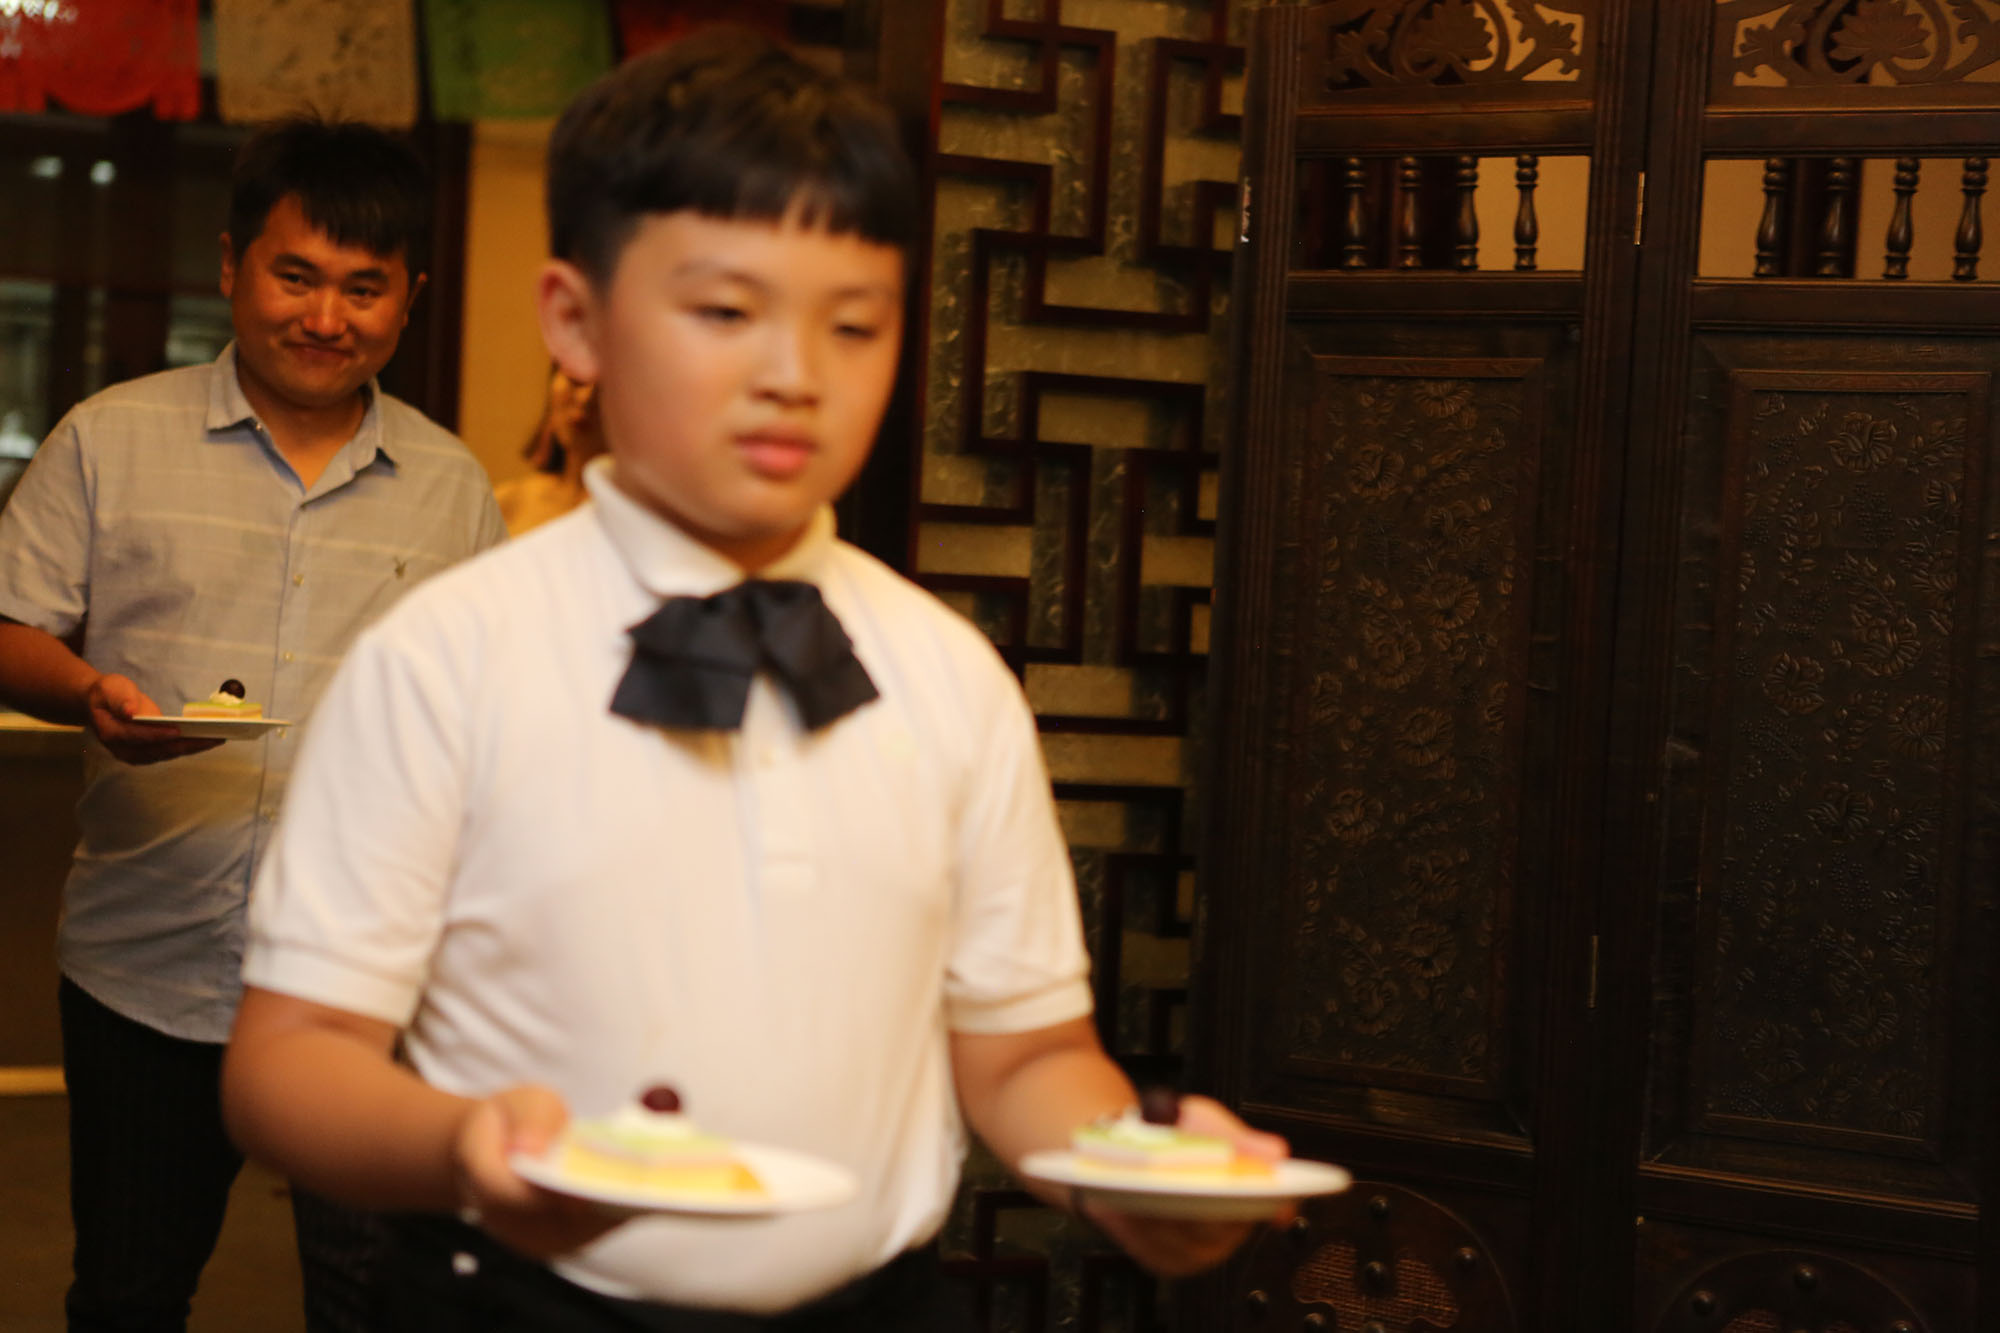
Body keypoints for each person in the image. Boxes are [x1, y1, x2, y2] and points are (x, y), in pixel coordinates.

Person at [219, 28, 1285, 1331]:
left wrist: (1134, 1172)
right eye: (726, 312)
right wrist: (463, 1146)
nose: (794, 374)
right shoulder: (447, 657)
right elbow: (288, 1063)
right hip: (518, 1306)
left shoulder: (947, 674)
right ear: (575, 320)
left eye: (855, 324)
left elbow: (1026, 1057)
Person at [0, 116, 508, 1333]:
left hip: (370, 983)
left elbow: (490, 717)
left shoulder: (453, 488)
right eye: (296, 276)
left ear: (409, 298)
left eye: (363, 288)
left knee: (374, 1303)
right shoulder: (109, 438)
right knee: (128, 1296)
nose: (325, 317)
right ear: (233, 265)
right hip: (147, 962)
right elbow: (11, 627)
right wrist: (87, 693)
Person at [494, 364, 605, 535]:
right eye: (576, 380)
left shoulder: (639, 512)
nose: (585, 398)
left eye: (606, 387)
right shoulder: (507, 504)